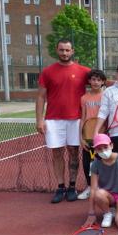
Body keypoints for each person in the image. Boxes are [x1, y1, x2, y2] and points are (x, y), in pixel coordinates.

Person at [36, 39, 91, 203]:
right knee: (57, 153)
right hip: (53, 120)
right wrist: (39, 119)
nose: (64, 53)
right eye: (61, 50)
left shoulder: (83, 71)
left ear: (72, 51)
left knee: (74, 153)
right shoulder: (47, 72)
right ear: (56, 50)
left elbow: (101, 80)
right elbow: (40, 96)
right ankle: (60, 187)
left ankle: (72, 187)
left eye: (67, 50)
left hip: (76, 120)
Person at [82, 133, 118, 228]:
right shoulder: (95, 164)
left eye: (105, 147)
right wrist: (91, 213)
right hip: (108, 195)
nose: (103, 151)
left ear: (111, 145)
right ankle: (107, 213)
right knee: (97, 193)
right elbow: (93, 188)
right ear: (95, 150)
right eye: (99, 149)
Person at [78, 69, 107, 200]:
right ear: (89, 81)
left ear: (103, 82)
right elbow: (83, 118)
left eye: (98, 80)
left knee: (104, 161)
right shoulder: (84, 98)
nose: (95, 82)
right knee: (88, 162)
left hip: (103, 135)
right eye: (93, 79)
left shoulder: (107, 96)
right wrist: (81, 137)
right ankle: (90, 187)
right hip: (89, 136)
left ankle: (103, 187)